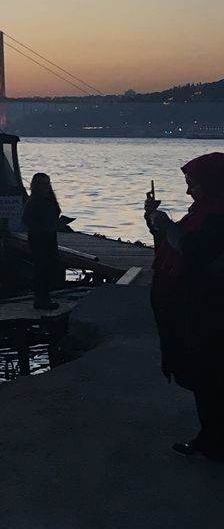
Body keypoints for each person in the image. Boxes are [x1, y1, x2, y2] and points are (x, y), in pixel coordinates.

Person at [145, 152, 224, 459]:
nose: (188, 191)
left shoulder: (218, 217)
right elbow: (172, 247)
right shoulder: (203, 212)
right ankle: (210, 437)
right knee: (206, 378)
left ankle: (214, 442)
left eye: (193, 184)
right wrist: (154, 222)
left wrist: (166, 226)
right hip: (195, 308)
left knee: (211, 377)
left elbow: (193, 250)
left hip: (210, 310)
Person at [21, 172, 61, 310]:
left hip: (50, 236)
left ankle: (45, 297)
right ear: (36, 185)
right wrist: (43, 228)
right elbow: (26, 220)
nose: (45, 186)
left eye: (47, 183)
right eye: (42, 184)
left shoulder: (50, 199)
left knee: (49, 267)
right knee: (41, 268)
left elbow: (56, 213)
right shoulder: (33, 201)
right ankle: (41, 299)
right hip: (38, 238)